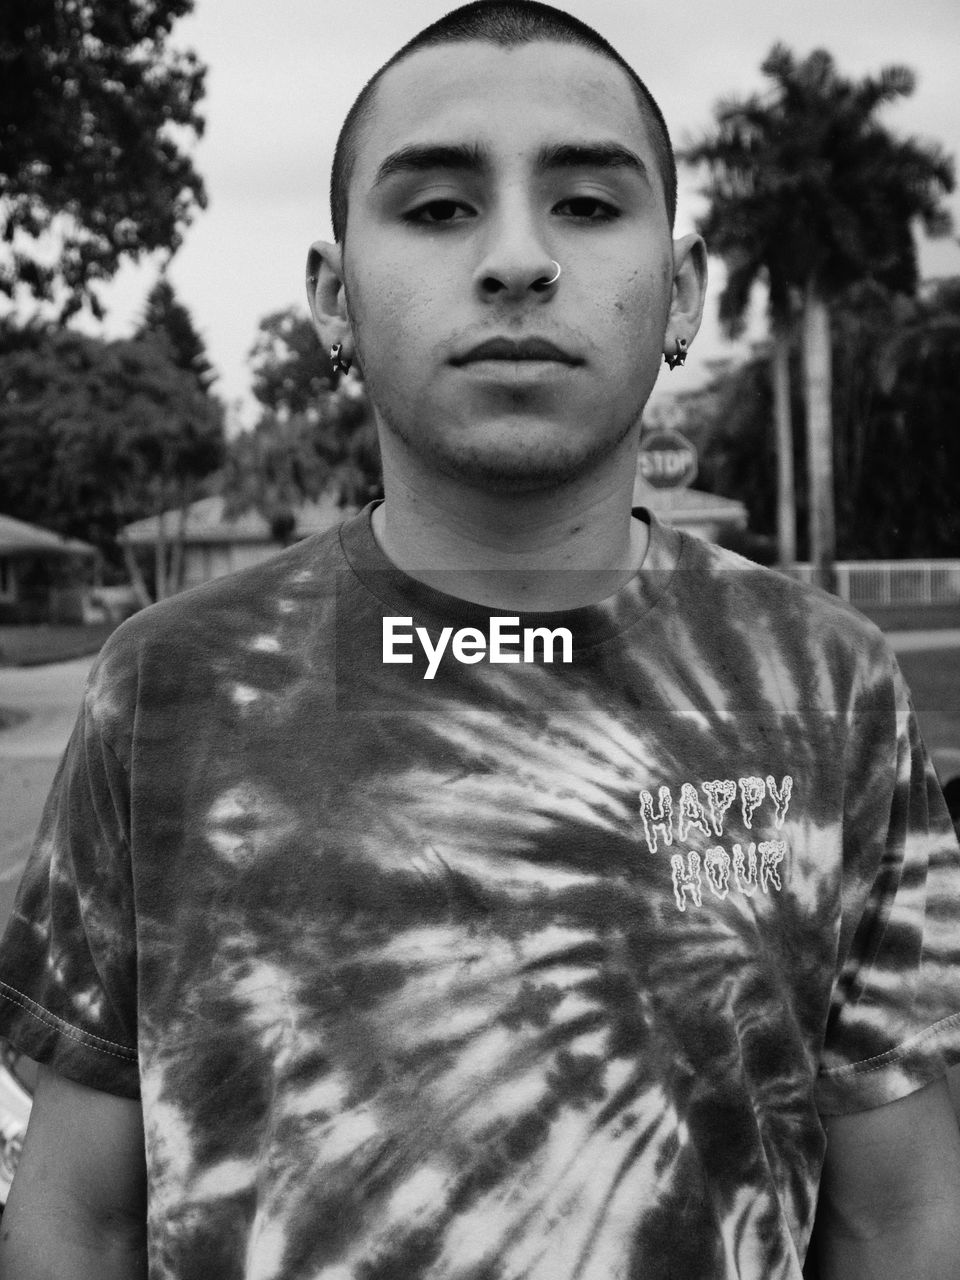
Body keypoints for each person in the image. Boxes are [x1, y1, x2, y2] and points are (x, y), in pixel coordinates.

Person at [1, 3, 959, 1277]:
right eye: (441, 207)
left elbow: (895, 1216)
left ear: (681, 292)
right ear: (334, 299)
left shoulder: (828, 688)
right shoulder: (167, 684)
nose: (516, 258)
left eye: (586, 204)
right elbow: (80, 1214)